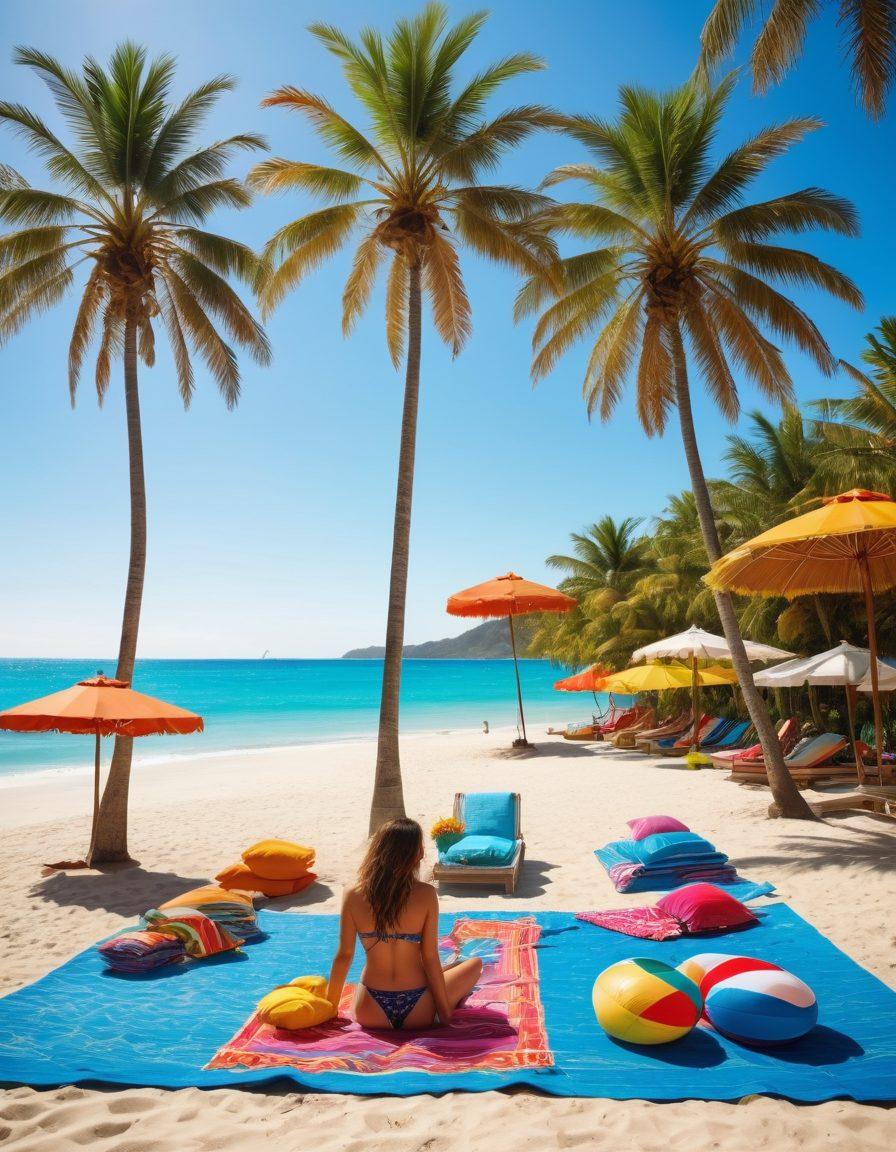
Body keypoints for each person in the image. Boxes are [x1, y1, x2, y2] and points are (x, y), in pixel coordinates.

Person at [327, 818, 482, 1030]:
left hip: (370, 1009)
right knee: (474, 965)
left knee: (451, 968)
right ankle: (449, 996)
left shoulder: (353, 894)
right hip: (418, 1010)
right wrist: (444, 1013)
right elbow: (429, 957)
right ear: (416, 854)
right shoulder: (426, 894)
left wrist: (329, 1010)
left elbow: (344, 955)